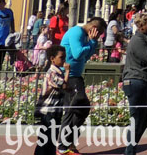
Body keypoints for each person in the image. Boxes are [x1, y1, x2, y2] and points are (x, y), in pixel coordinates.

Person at [58, 16, 106, 155]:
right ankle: (62, 146)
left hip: (76, 76)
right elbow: (78, 54)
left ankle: (69, 140)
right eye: (99, 33)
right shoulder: (77, 33)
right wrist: (91, 42)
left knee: (82, 108)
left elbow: (87, 56)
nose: (99, 36)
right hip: (70, 76)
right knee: (74, 106)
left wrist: (92, 42)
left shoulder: (86, 37)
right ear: (94, 29)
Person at [122, 13, 147, 155]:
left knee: (145, 118)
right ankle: (129, 150)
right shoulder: (138, 40)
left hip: (142, 80)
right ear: (141, 25)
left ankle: (130, 147)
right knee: (138, 117)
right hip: (135, 80)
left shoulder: (144, 39)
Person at [34, 45, 70, 155]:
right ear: (52, 59)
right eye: (61, 57)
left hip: (55, 110)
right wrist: (68, 71)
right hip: (48, 111)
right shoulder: (52, 72)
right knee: (46, 139)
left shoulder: (58, 71)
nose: (64, 60)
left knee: (52, 140)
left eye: (64, 57)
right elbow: (64, 85)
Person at [0, 0, 15, 71]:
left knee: (1, 59)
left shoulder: (9, 12)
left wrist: (13, 30)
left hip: (5, 40)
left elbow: (12, 21)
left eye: (0, 3)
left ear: (4, 3)